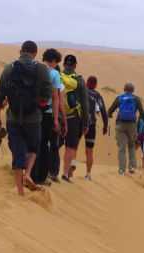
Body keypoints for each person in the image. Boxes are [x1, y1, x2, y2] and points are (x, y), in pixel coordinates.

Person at [0, 41, 52, 195]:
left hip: (13, 118)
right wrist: (37, 104)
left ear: (20, 51)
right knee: (33, 148)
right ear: (35, 53)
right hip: (33, 118)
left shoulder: (8, 68)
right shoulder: (41, 68)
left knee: (17, 152)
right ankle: (28, 174)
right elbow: (46, 96)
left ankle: (20, 191)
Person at [31, 48, 65, 185]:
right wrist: (56, 119)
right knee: (44, 145)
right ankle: (40, 178)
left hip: (31, 112)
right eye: (56, 62)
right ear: (54, 61)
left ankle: (28, 173)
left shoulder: (34, 68)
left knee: (32, 144)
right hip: (47, 113)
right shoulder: (54, 73)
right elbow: (55, 98)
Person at [60, 54, 89, 183]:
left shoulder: (57, 77)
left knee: (55, 145)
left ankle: (52, 171)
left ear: (64, 64)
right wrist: (86, 122)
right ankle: (66, 173)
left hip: (58, 115)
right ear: (75, 65)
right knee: (71, 147)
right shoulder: (79, 80)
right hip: (73, 118)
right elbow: (85, 103)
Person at [107, 83, 144, 175]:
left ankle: (121, 170)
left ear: (124, 89)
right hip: (132, 125)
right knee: (131, 146)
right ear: (133, 90)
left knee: (122, 148)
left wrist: (110, 115)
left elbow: (110, 110)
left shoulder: (119, 98)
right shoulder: (136, 99)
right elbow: (142, 113)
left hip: (120, 124)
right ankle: (132, 167)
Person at [84, 76, 109, 180]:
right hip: (91, 124)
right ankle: (88, 174)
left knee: (73, 147)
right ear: (95, 85)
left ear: (87, 83)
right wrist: (105, 125)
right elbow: (103, 111)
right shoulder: (97, 95)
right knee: (89, 150)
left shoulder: (83, 92)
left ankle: (70, 171)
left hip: (80, 123)